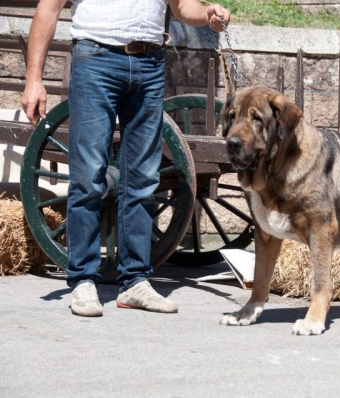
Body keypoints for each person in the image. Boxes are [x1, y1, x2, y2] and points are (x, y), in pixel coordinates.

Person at [21, 0, 231, 317]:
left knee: (144, 179)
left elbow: (182, 6)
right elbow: (48, 10)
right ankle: (83, 280)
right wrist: (33, 79)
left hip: (149, 65)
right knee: (88, 177)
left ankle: (135, 281)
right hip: (96, 60)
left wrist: (208, 14)